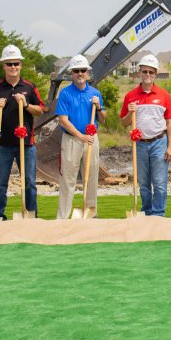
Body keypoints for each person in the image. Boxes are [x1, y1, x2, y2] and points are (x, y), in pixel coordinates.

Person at [0, 45, 45, 220]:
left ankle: (31, 215)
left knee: (30, 183)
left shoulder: (29, 87)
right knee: (0, 183)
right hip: (3, 144)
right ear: (3, 66)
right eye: (9, 64)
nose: (13, 67)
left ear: (21, 65)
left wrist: (25, 104)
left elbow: (40, 110)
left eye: (16, 63)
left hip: (26, 144)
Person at [120, 53, 171, 216]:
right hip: (140, 144)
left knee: (159, 182)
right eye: (145, 72)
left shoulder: (164, 95)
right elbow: (123, 122)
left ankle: (158, 215)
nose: (148, 75)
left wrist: (170, 147)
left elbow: (170, 122)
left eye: (151, 72)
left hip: (159, 142)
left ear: (155, 74)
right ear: (139, 73)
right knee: (143, 183)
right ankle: (146, 212)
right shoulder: (130, 96)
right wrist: (130, 114)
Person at [55, 54, 106, 219]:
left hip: (92, 139)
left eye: (82, 70)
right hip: (71, 139)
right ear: (72, 73)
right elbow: (63, 120)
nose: (80, 73)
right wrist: (81, 136)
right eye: (76, 71)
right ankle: (63, 217)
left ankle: (91, 213)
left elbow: (103, 119)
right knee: (68, 180)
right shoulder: (65, 93)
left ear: (88, 73)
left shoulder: (95, 93)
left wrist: (98, 107)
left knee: (91, 178)